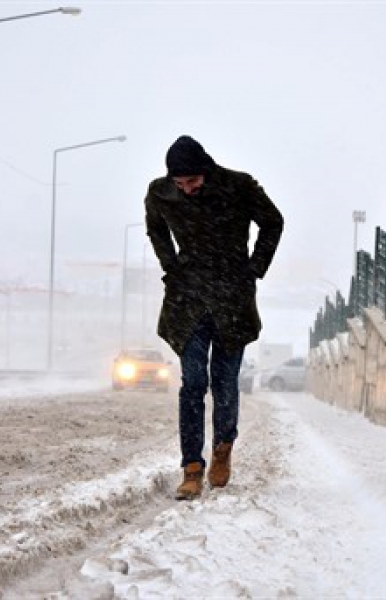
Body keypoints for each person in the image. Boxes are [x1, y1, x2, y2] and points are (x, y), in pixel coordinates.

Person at [144, 135, 284, 500]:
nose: (187, 190)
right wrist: (170, 265)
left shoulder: (238, 186)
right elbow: (156, 228)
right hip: (187, 299)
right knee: (192, 381)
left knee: (224, 382)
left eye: (192, 182)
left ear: (205, 171)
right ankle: (192, 467)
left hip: (231, 299)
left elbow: (272, 221)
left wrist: (254, 268)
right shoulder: (160, 193)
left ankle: (223, 448)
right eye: (180, 184)